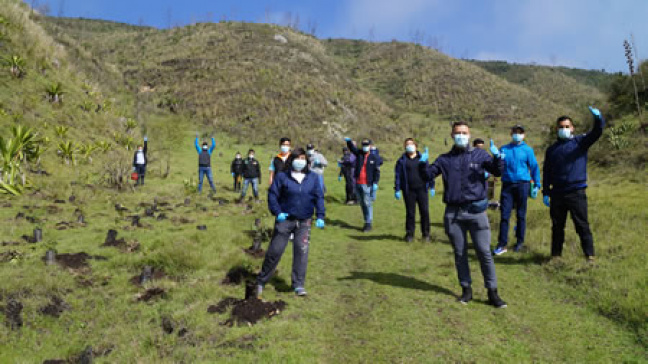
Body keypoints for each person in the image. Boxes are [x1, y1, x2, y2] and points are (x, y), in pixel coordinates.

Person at [419, 121, 507, 308]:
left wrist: (498, 157)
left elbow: (497, 171)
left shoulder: (480, 154)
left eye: (464, 132)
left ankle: (493, 293)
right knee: (460, 253)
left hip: (476, 212)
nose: (461, 135)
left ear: (469, 134)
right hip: (454, 213)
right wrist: (422, 163)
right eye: (457, 132)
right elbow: (428, 175)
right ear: (451, 135)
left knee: (484, 252)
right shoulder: (444, 159)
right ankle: (466, 290)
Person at [256, 148, 326, 298]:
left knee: (301, 252)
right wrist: (277, 212)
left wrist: (320, 215)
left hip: (304, 221)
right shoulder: (282, 177)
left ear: (307, 161)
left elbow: (318, 197)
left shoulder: (312, 178)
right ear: (291, 160)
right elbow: (273, 195)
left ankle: (298, 285)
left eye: (303, 158)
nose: (300, 161)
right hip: (285, 220)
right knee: (275, 251)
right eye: (297, 158)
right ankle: (261, 281)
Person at [543, 107, 604, 262]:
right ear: (557, 129)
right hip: (557, 193)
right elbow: (547, 171)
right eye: (561, 127)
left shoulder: (581, 142)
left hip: (576, 192)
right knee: (557, 227)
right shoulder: (551, 150)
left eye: (567, 126)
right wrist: (545, 191)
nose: (564, 129)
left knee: (582, 225)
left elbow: (597, 133)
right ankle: (556, 256)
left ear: (572, 128)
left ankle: (590, 256)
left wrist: (598, 119)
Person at [492, 125, 541, 255]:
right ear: (511, 133)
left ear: (524, 135)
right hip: (507, 185)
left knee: (521, 215)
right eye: (515, 132)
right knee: (504, 215)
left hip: (522, 184)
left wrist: (537, 184)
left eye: (520, 132)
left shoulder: (527, 150)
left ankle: (519, 242)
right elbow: (498, 168)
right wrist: (497, 157)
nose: (517, 134)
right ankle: (502, 244)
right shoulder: (504, 149)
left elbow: (534, 167)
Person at [394, 138, 434, 243]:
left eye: (411, 144)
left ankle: (426, 234)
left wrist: (432, 186)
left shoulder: (422, 158)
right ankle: (409, 234)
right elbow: (398, 175)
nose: (409, 146)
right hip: (408, 190)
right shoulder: (402, 160)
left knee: (424, 212)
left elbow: (429, 173)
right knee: (410, 213)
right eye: (407, 144)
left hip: (422, 189)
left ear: (416, 146)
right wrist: (397, 188)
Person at [344, 137, 381, 232]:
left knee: (367, 203)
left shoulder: (374, 157)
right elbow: (353, 148)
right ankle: (366, 220)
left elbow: (377, 170)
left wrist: (375, 183)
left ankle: (368, 222)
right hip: (358, 183)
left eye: (367, 145)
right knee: (362, 203)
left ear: (370, 146)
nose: (365, 147)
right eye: (363, 145)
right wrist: (348, 142)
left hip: (367, 183)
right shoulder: (359, 154)